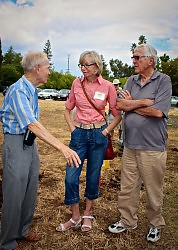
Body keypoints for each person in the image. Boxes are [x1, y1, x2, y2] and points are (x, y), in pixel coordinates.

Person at [0, 51, 81, 250]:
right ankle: (8, 242)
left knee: (29, 189)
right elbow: (32, 124)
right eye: (48, 67)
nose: (49, 72)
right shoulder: (19, 90)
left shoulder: (31, 89)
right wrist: (62, 147)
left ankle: (23, 230)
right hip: (16, 143)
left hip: (29, 144)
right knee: (14, 192)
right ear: (37, 68)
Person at [108, 44, 172, 242]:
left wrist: (132, 104)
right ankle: (127, 221)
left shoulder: (163, 80)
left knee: (153, 189)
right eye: (133, 57)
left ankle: (155, 224)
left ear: (150, 60)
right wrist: (145, 101)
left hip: (152, 146)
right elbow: (120, 105)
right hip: (130, 145)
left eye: (137, 57)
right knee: (127, 187)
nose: (133, 61)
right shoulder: (130, 80)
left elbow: (158, 112)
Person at [56, 50, 121, 232]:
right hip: (79, 136)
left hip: (98, 135)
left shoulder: (107, 86)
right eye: (81, 65)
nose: (83, 68)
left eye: (87, 65)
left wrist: (106, 131)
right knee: (70, 177)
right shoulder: (76, 83)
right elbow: (67, 109)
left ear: (97, 67)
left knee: (93, 177)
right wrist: (72, 128)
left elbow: (117, 115)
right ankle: (75, 216)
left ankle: (87, 214)